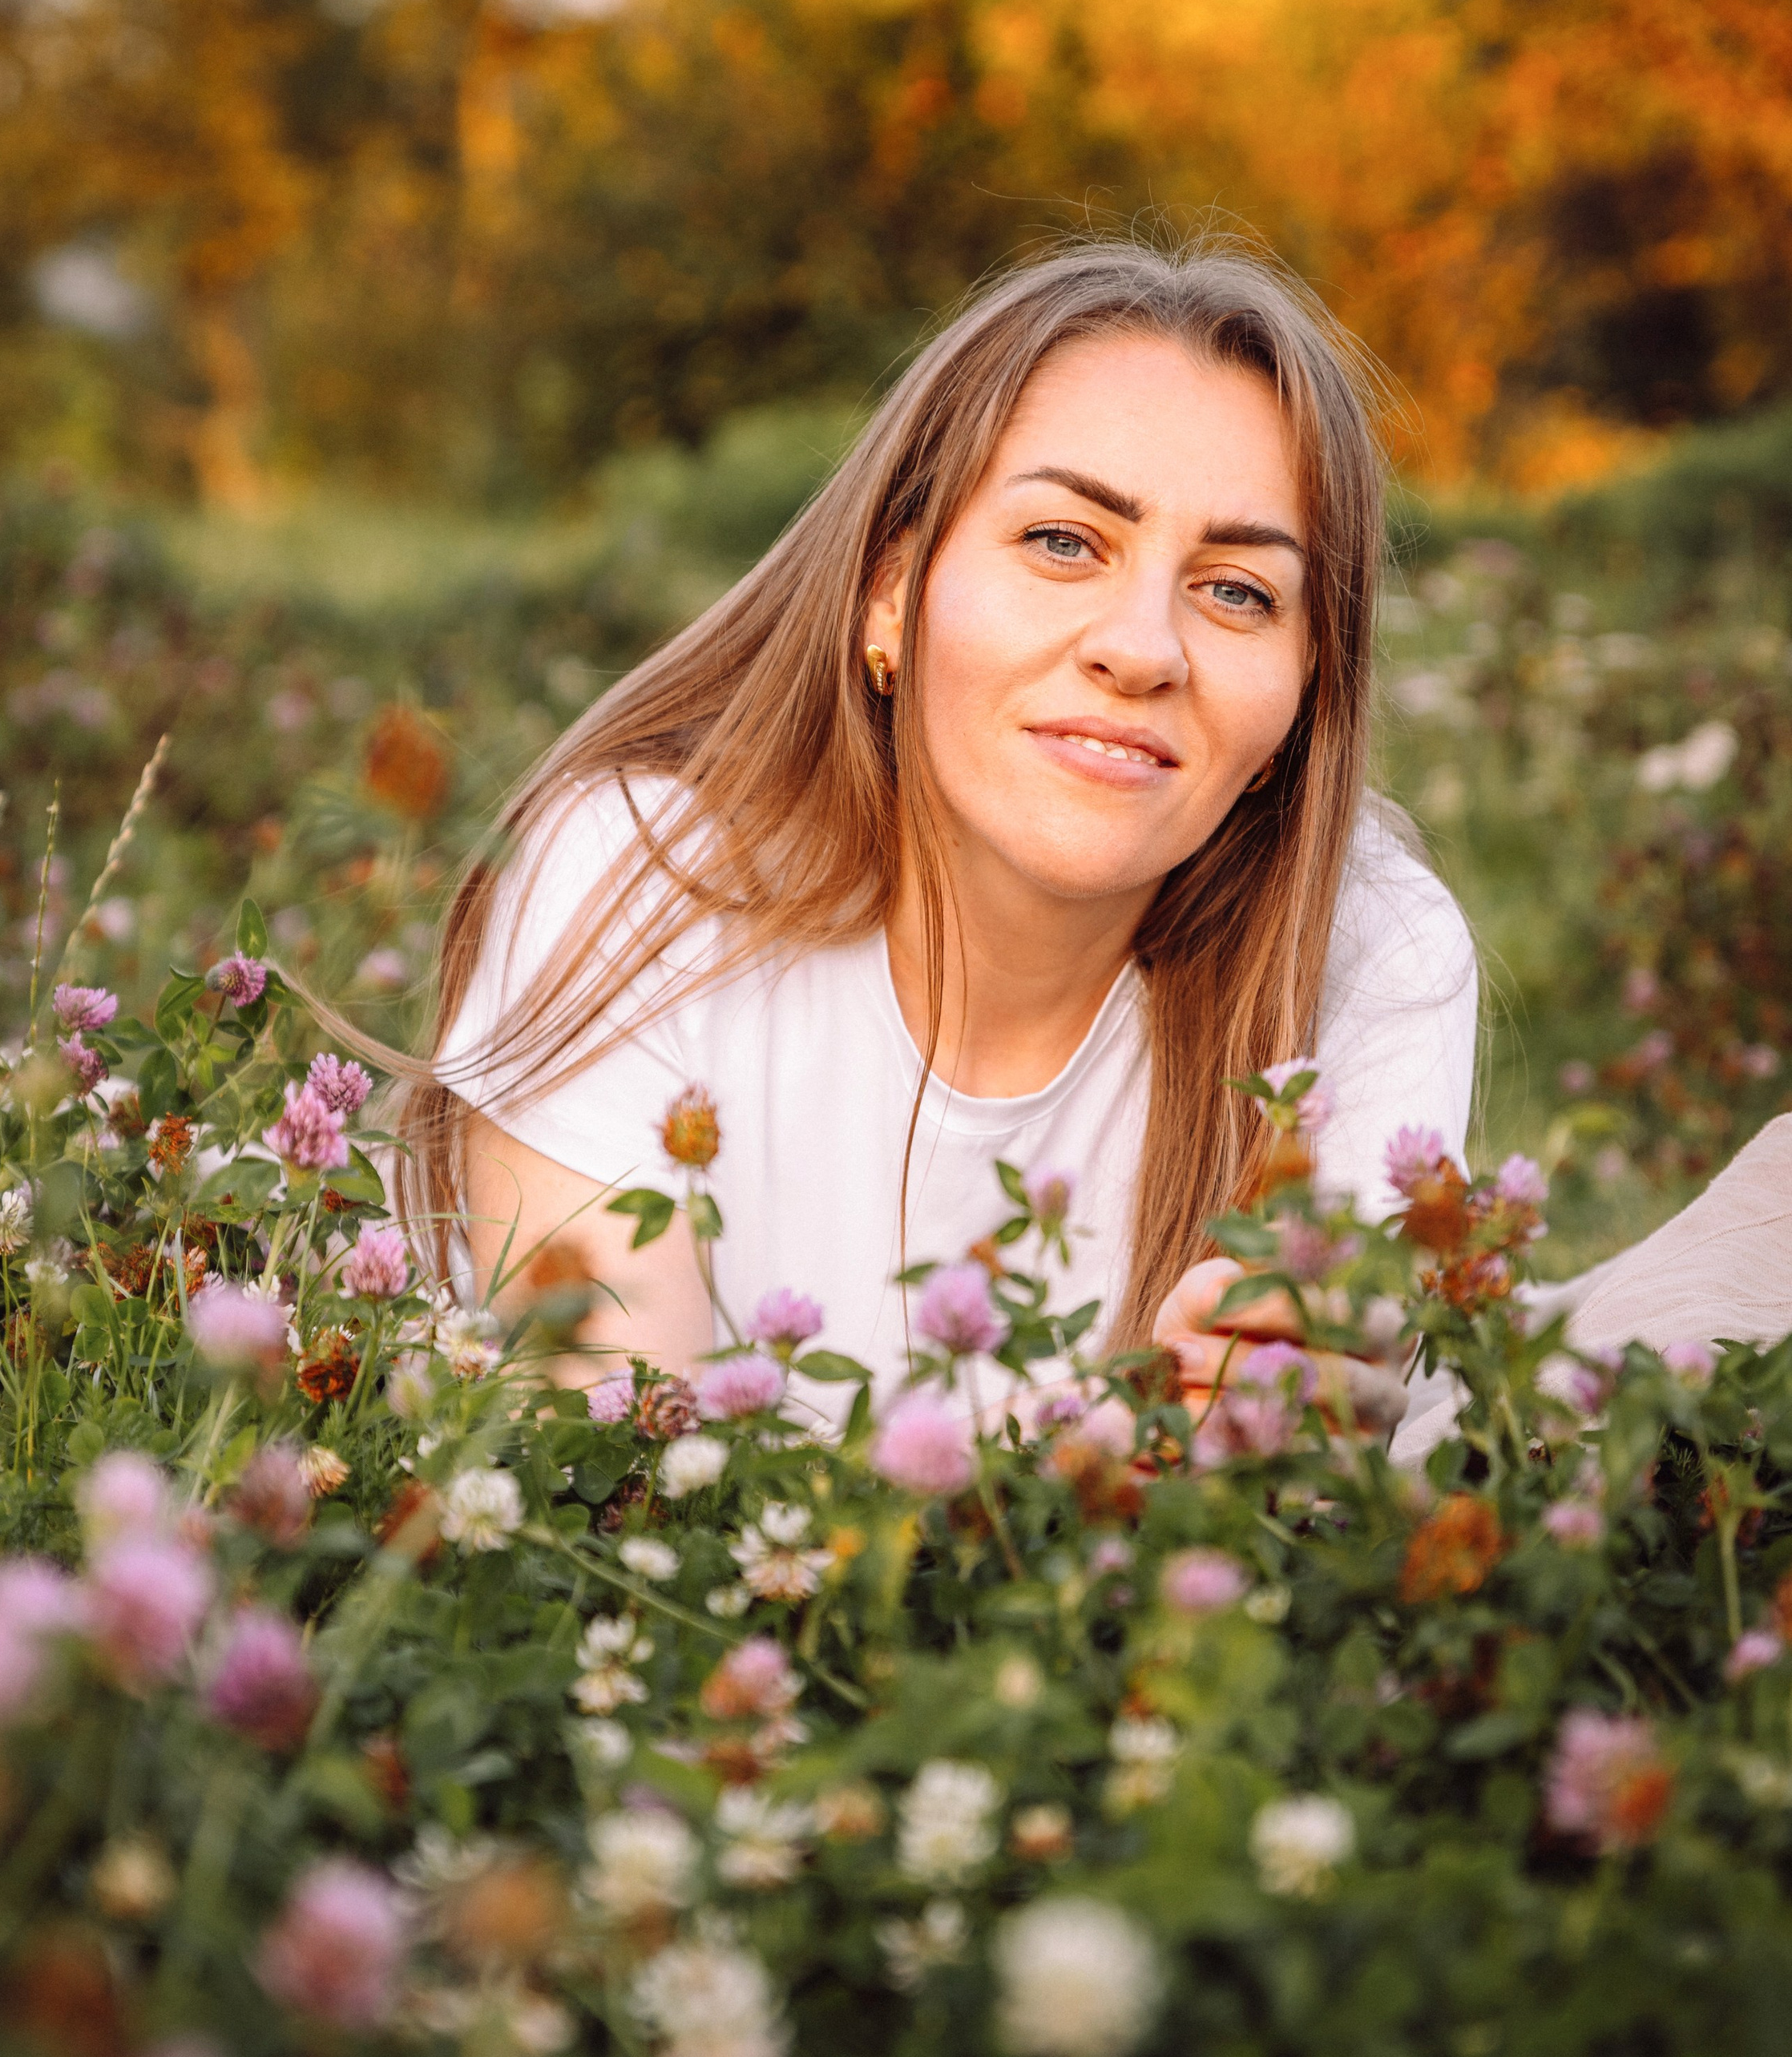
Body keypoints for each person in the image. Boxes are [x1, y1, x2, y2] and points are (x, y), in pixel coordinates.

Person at [402, 237, 1482, 1416]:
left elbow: (1296, 1542)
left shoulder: (1372, 951)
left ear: (1304, 697)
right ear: (890, 592)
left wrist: (1291, 1427)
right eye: (1063, 542)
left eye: (1237, 591)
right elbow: (611, 1486)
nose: (1144, 648)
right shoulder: (640, 873)